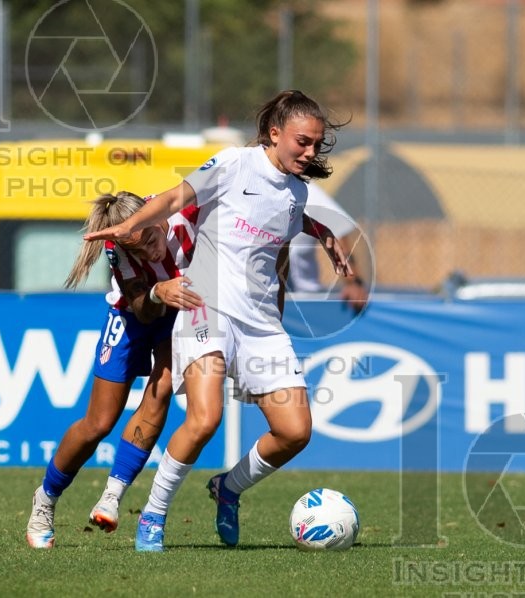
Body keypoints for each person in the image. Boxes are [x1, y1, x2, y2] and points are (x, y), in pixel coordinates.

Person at [84, 89, 352, 552]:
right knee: (205, 419)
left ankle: (228, 488)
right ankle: (153, 516)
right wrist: (130, 226)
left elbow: (283, 222)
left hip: (261, 324)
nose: (310, 152)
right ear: (274, 133)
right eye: (302, 142)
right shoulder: (232, 163)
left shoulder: (298, 192)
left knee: (295, 432)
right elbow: (174, 198)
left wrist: (323, 232)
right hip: (206, 307)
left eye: (315, 144)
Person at [25, 191, 204, 549]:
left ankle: (112, 495)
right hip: (134, 312)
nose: (149, 253)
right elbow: (142, 309)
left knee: (162, 387)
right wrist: (157, 292)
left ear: (154, 215)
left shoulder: (187, 212)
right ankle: (44, 499)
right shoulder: (117, 246)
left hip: (182, 312)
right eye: (138, 250)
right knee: (98, 423)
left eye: (150, 240)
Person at [288, 181, 369, 313]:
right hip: (259, 299)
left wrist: (353, 282)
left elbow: (337, 229)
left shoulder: (305, 190)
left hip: (303, 301)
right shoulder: (253, 190)